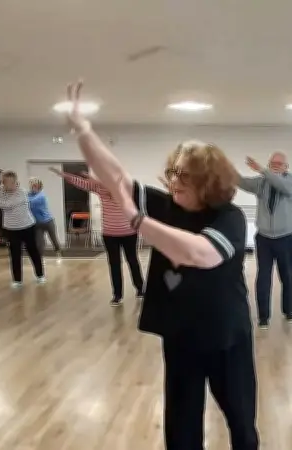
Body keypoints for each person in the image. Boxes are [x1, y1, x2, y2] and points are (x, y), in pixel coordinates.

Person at [64, 80, 258, 450]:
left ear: (207, 181)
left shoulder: (228, 217)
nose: (174, 182)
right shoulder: (165, 205)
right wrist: (84, 131)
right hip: (181, 334)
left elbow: (198, 254)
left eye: (185, 176)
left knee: (241, 423)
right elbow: (114, 176)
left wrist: (138, 220)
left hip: (224, 336)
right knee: (181, 428)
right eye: (173, 172)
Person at [49, 168, 144, 305]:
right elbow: (80, 182)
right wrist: (65, 175)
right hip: (110, 234)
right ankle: (117, 294)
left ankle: (140, 288)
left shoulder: (127, 188)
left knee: (132, 260)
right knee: (114, 264)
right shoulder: (99, 187)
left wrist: (97, 180)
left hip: (129, 233)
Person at [238, 152, 292, 329]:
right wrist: (223, 166)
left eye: (279, 163)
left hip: (285, 237)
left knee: (287, 276)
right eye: (272, 163)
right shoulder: (261, 182)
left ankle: (289, 311)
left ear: (286, 167)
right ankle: (263, 316)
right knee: (263, 277)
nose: (275, 166)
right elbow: (241, 182)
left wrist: (262, 170)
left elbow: (283, 187)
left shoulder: (291, 180)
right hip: (264, 238)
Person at [0, 172, 45, 288]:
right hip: (11, 229)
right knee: (15, 254)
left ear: (15, 182)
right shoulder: (1, 190)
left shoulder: (21, 193)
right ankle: (17, 280)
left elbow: (7, 204)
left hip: (27, 227)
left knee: (33, 251)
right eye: (4, 182)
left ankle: (40, 275)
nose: (6, 185)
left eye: (9, 182)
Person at [27, 177, 62, 256]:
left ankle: (58, 252)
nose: (33, 187)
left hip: (48, 222)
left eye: (35, 185)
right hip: (37, 223)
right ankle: (39, 258)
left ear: (39, 186)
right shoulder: (28, 195)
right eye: (32, 185)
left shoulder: (41, 195)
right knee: (39, 242)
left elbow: (31, 202)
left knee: (54, 239)